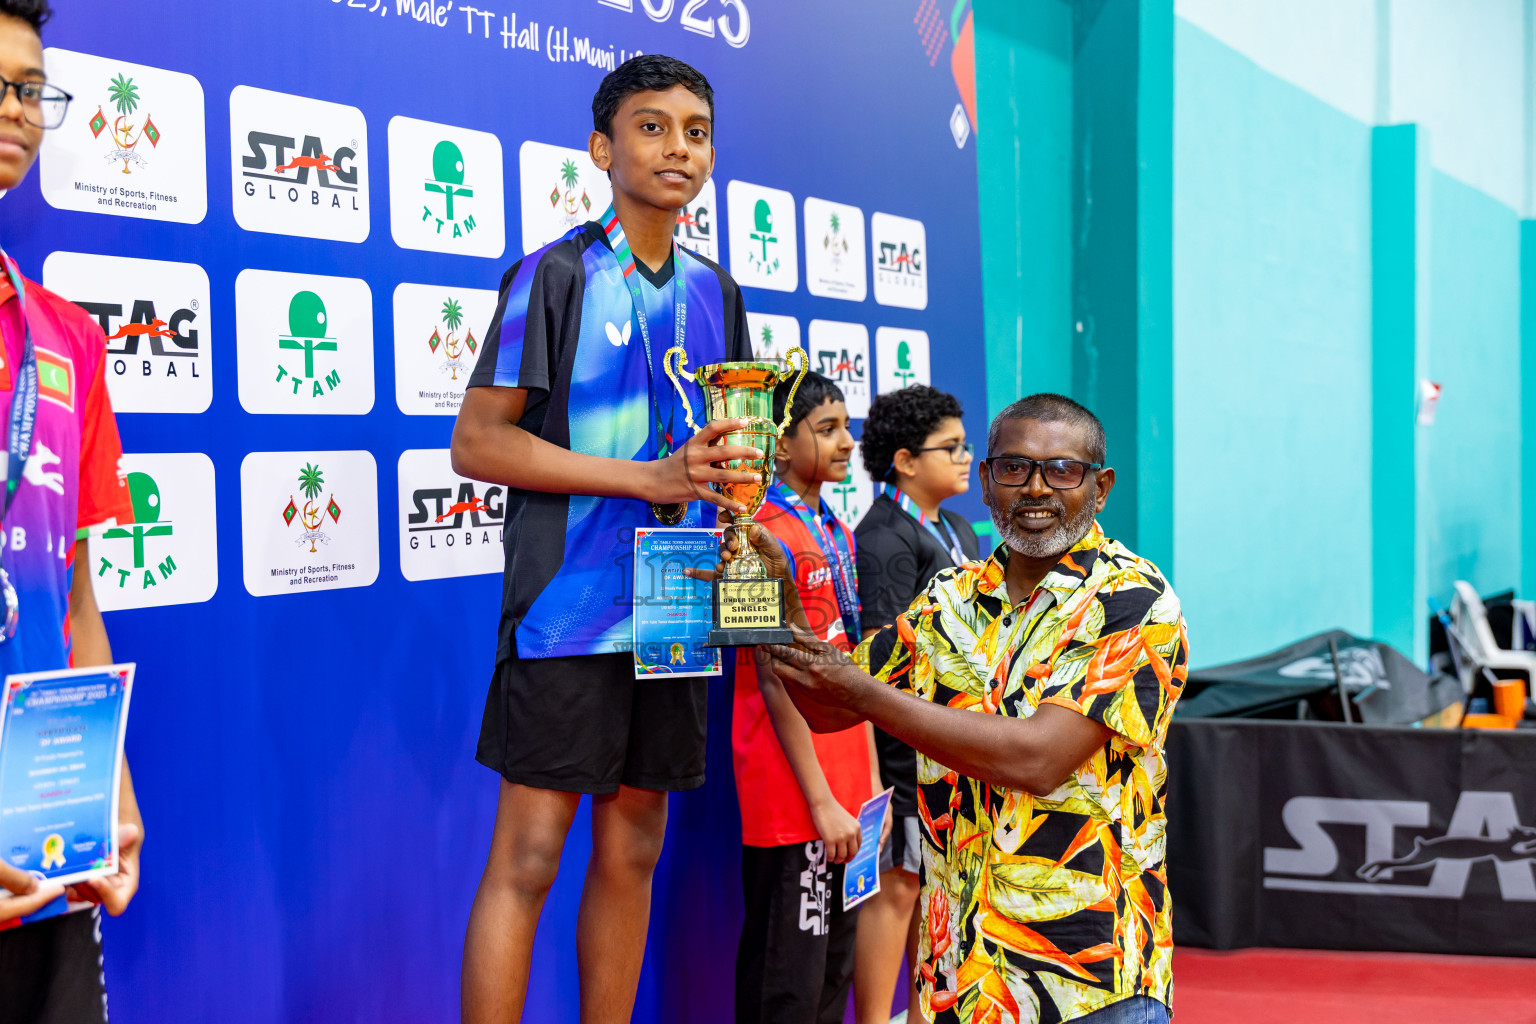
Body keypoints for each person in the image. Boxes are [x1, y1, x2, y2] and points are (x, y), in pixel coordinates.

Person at [703, 394, 1188, 1024]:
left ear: (1100, 488)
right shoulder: (948, 599)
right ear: (986, 481)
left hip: (1088, 980)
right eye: (1014, 468)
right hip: (958, 978)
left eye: (1062, 471)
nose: (1036, 488)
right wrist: (780, 607)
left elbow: (1039, 760)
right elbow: (828, 709)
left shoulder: (1134, 600)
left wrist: (863, 693)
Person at [452, 54, 759, 1023]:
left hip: (676, 609)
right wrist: (646, 478)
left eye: (696, 132)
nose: (678, 148)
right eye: (651, 126)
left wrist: (736, 510)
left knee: (634, 848)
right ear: (602, 148)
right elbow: (477, 442)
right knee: (530, 855)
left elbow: (728, 443)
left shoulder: (718, 291)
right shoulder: (555, 274)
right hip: (567, 612)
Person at [0, 3, 145, 1020]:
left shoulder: (67, 339)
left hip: (40, 831)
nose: (18, 110)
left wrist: (110, 789)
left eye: (29, 89)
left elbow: (75, 596)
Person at [732, 371, 880, 1024]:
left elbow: (854, 669)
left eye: (847, 427)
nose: (847, 443)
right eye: (827, 429)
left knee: (829, 983)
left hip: (846, 792)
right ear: (780, 445)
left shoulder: (836, 530)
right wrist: (820, 800)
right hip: (794, 793)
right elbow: (771, 674)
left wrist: (868, 785)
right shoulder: (750, 533)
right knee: (786, 987)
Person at [849, 385, 980, 1024]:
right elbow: (880, 658)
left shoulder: (958, 528)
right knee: (899, 885)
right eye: (950, 447)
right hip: (904, 748)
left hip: (957, 742)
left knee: (935, 890)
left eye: (965, 444)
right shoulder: (882, 537)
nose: (966, 457)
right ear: (904, 461)